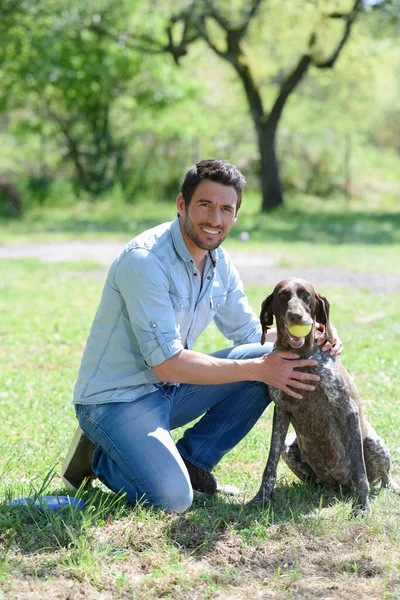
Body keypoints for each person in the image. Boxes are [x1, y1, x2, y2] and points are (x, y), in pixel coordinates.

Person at [62, 159, 342, 513]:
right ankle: (102, 458)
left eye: (226, 209)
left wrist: (315, 337)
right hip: (117, 400)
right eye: (205, 205)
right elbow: (167, 364)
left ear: (236, 215)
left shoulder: (219, 262)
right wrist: (260, 366)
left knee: (275, 364)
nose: (215, 219)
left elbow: (251, 336)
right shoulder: (145, 261)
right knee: (173, 500)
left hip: (170, 391)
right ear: (182, 205)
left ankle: (193, 461)